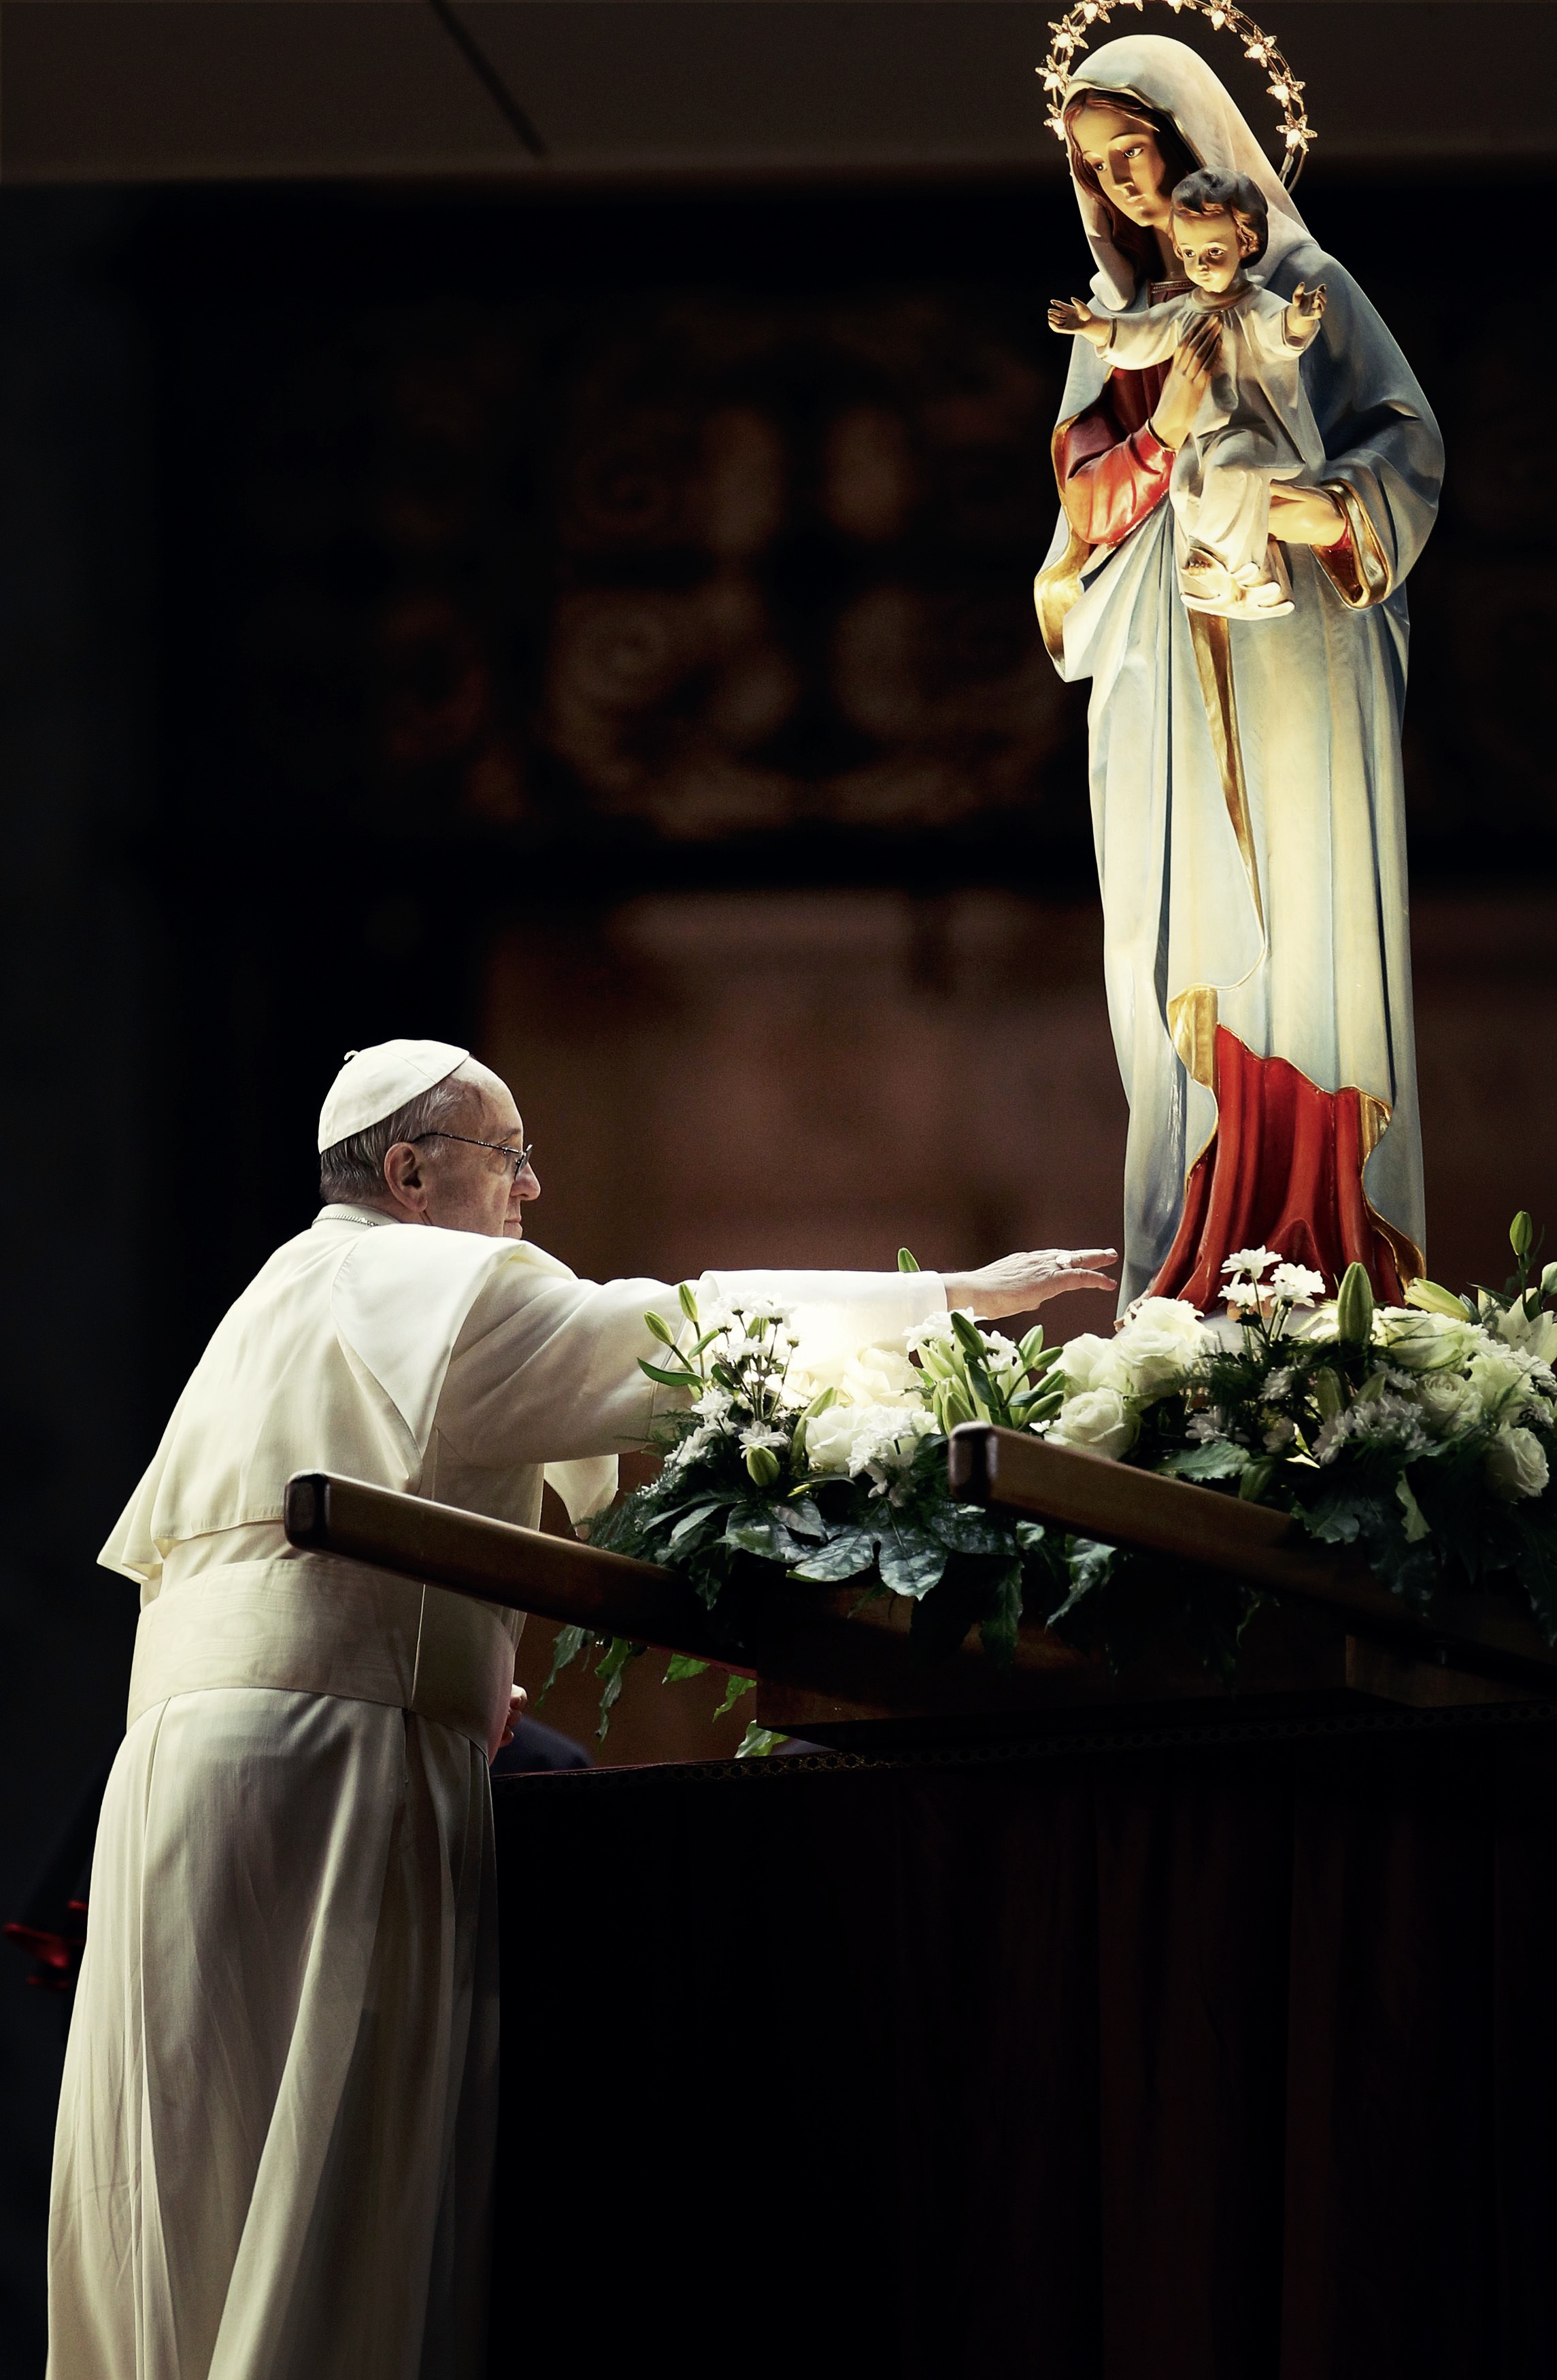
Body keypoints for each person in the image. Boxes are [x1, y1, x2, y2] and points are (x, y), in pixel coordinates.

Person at [47, 1036, 1115, 2379]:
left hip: (181, 1780)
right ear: (410, 1167)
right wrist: (952, 1296)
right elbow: (675, 1333)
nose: (531, 1192)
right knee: (327, 2199)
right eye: (512, 1157)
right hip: (336, 1770)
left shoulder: (280, 1295)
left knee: (184, 2193)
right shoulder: (434, 1281)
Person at [1034, 35, 1442, 1311]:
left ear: (1186, 136)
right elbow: (1081, 509)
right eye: (1093, 169)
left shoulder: (1299, 285)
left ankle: (1324, 1247)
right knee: (1183, 948)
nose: (1120, 187)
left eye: (1131, 151)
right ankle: (1195, 1264)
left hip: (1294, 660)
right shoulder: (1120, 324)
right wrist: (1157, 429)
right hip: (1161, 668)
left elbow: (1401, 441)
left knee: (1306, 937)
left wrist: (1320, 513)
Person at [1051, 165, 1328, 619]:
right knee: (1185, 487)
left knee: (1229, 469)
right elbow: (1141, 337)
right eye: (1191, 253)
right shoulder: (1184, 311)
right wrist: (1093, 326)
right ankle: (1237, 578)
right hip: (1200, 434)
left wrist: (1299, 317)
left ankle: (1234, 565)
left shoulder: (1257, 306)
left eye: (1215, 251)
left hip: (1252, 430)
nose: (1200, 265)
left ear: (1247, 245)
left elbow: (1282, 337)